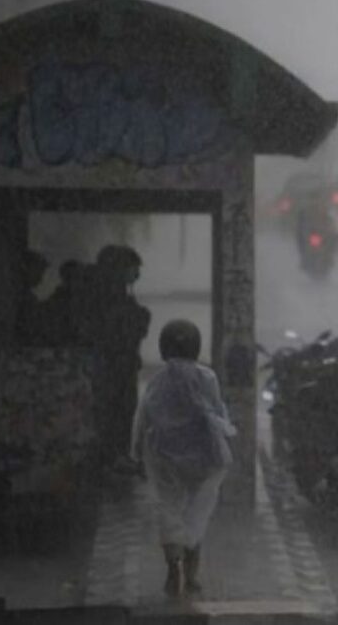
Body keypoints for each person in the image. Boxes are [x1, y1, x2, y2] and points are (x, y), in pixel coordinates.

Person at [129, 320, 236, 599]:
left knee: (169, 509)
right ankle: (192, 576)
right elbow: (218, 414)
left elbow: (142, 418)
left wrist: (137, 453)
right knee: (196, 515)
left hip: (164, 457)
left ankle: (172, 569)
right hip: (203, 458)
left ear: (164, 349)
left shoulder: (158, 380)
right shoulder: (207, 377)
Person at [92, 245, 152, 467]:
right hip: (113, 365)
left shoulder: (118, 295)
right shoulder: (109, 297)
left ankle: (116, 454)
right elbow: (117, 329)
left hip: (121, 364)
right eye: (133, 268)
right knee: (115, 409)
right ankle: (113, 455)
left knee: (122, 409)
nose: (136, 273)